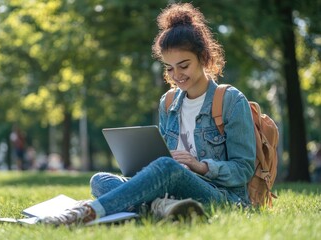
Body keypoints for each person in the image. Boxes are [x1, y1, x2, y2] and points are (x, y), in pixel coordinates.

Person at [42, 3, 256, 225]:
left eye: (183, 65)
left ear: (203, 58)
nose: (176, 75)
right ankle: (162, 207)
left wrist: (200, 166)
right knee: (100, 180)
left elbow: (244, 169)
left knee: (166, 166)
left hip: (222, 195)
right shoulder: (169, 103)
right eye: (169, 68)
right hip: (171, 187)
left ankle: (86, 212)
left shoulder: (231, 100)